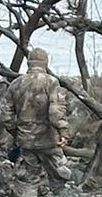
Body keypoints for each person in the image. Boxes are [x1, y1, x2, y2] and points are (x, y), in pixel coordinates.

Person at [4, 48, 70, 180]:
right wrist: (64, 132)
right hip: (49, 140)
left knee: (29, 177)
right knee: (60, 175)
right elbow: (55, 112)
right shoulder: (52, 82)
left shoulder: (15, 84)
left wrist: (17, 134)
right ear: (45, 63)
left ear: (29, 63)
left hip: (26, 141)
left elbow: (6, 116)